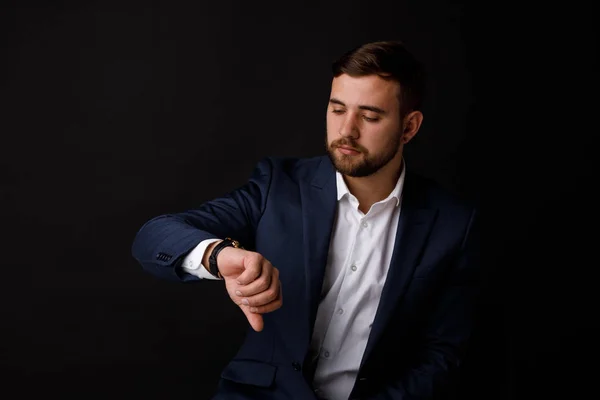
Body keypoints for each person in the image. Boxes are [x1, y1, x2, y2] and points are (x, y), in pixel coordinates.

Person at [131, 40, 483, 400]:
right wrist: (218, 256)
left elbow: (441, 356)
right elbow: (153, 237)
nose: (347, 130)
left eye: (370, 116)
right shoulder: (277, 186)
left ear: (409, 127)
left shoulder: (453, 224)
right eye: (337, 109)